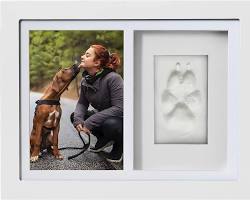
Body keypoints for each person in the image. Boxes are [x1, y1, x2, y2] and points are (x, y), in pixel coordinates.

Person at [71, 44, 123, 163]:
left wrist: (90, 122)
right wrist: (78, 119)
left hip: (122, 119)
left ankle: (120, 145)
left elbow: (120, 108)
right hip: (104, 116)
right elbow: (82, 103)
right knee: (75, 116)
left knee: (111, 124)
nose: (82, 56)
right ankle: (104, 139)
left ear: (97, 63)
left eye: (87, 55)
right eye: (84, 54)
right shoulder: (86, 80)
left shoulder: (113, 78)